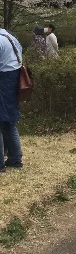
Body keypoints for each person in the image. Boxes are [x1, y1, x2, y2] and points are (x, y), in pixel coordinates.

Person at [0, 28, 24, 171]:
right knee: (8, 122)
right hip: (14, 79)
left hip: (3, 80)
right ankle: (15, 159)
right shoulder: (8, 36)